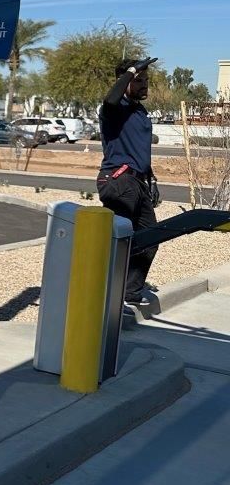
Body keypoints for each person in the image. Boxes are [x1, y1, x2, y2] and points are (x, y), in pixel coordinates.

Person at [97, 56, 160, 308]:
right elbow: (110, 98)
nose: (145, 85)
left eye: (146, 80)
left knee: (150, 238)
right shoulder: (115, 108)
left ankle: (129, 292)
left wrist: (151, 178)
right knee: (117, 241)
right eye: (139, 80)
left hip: (138, 182)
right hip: (119, 180)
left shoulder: (138, 110)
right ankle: (102, 293)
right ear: (124, 82)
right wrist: (131, 70)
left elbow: (137, 148)